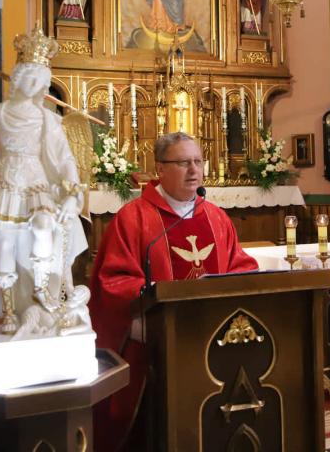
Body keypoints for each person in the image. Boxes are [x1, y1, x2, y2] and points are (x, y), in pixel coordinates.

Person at [89, 132, 259, 451]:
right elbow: (112, 279)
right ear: (160, 169)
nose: (193, 170)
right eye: (183, 163)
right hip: (155, 345)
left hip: (211, 339)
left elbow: (241, 265)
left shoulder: (216, 218)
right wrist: (153, 293)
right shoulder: (134, 218)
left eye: (198, 161)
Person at [0, 26, 90, 336]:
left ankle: (42, 290)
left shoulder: (47, 118)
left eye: (39, 80)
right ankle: (9, 312)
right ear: (17, 79)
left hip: (36, 182)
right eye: (29, 77)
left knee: (44, 225)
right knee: (6, 242)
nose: (34, 84)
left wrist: (72, 193)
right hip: (8, 181)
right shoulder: (0, 113)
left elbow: (65, 159)